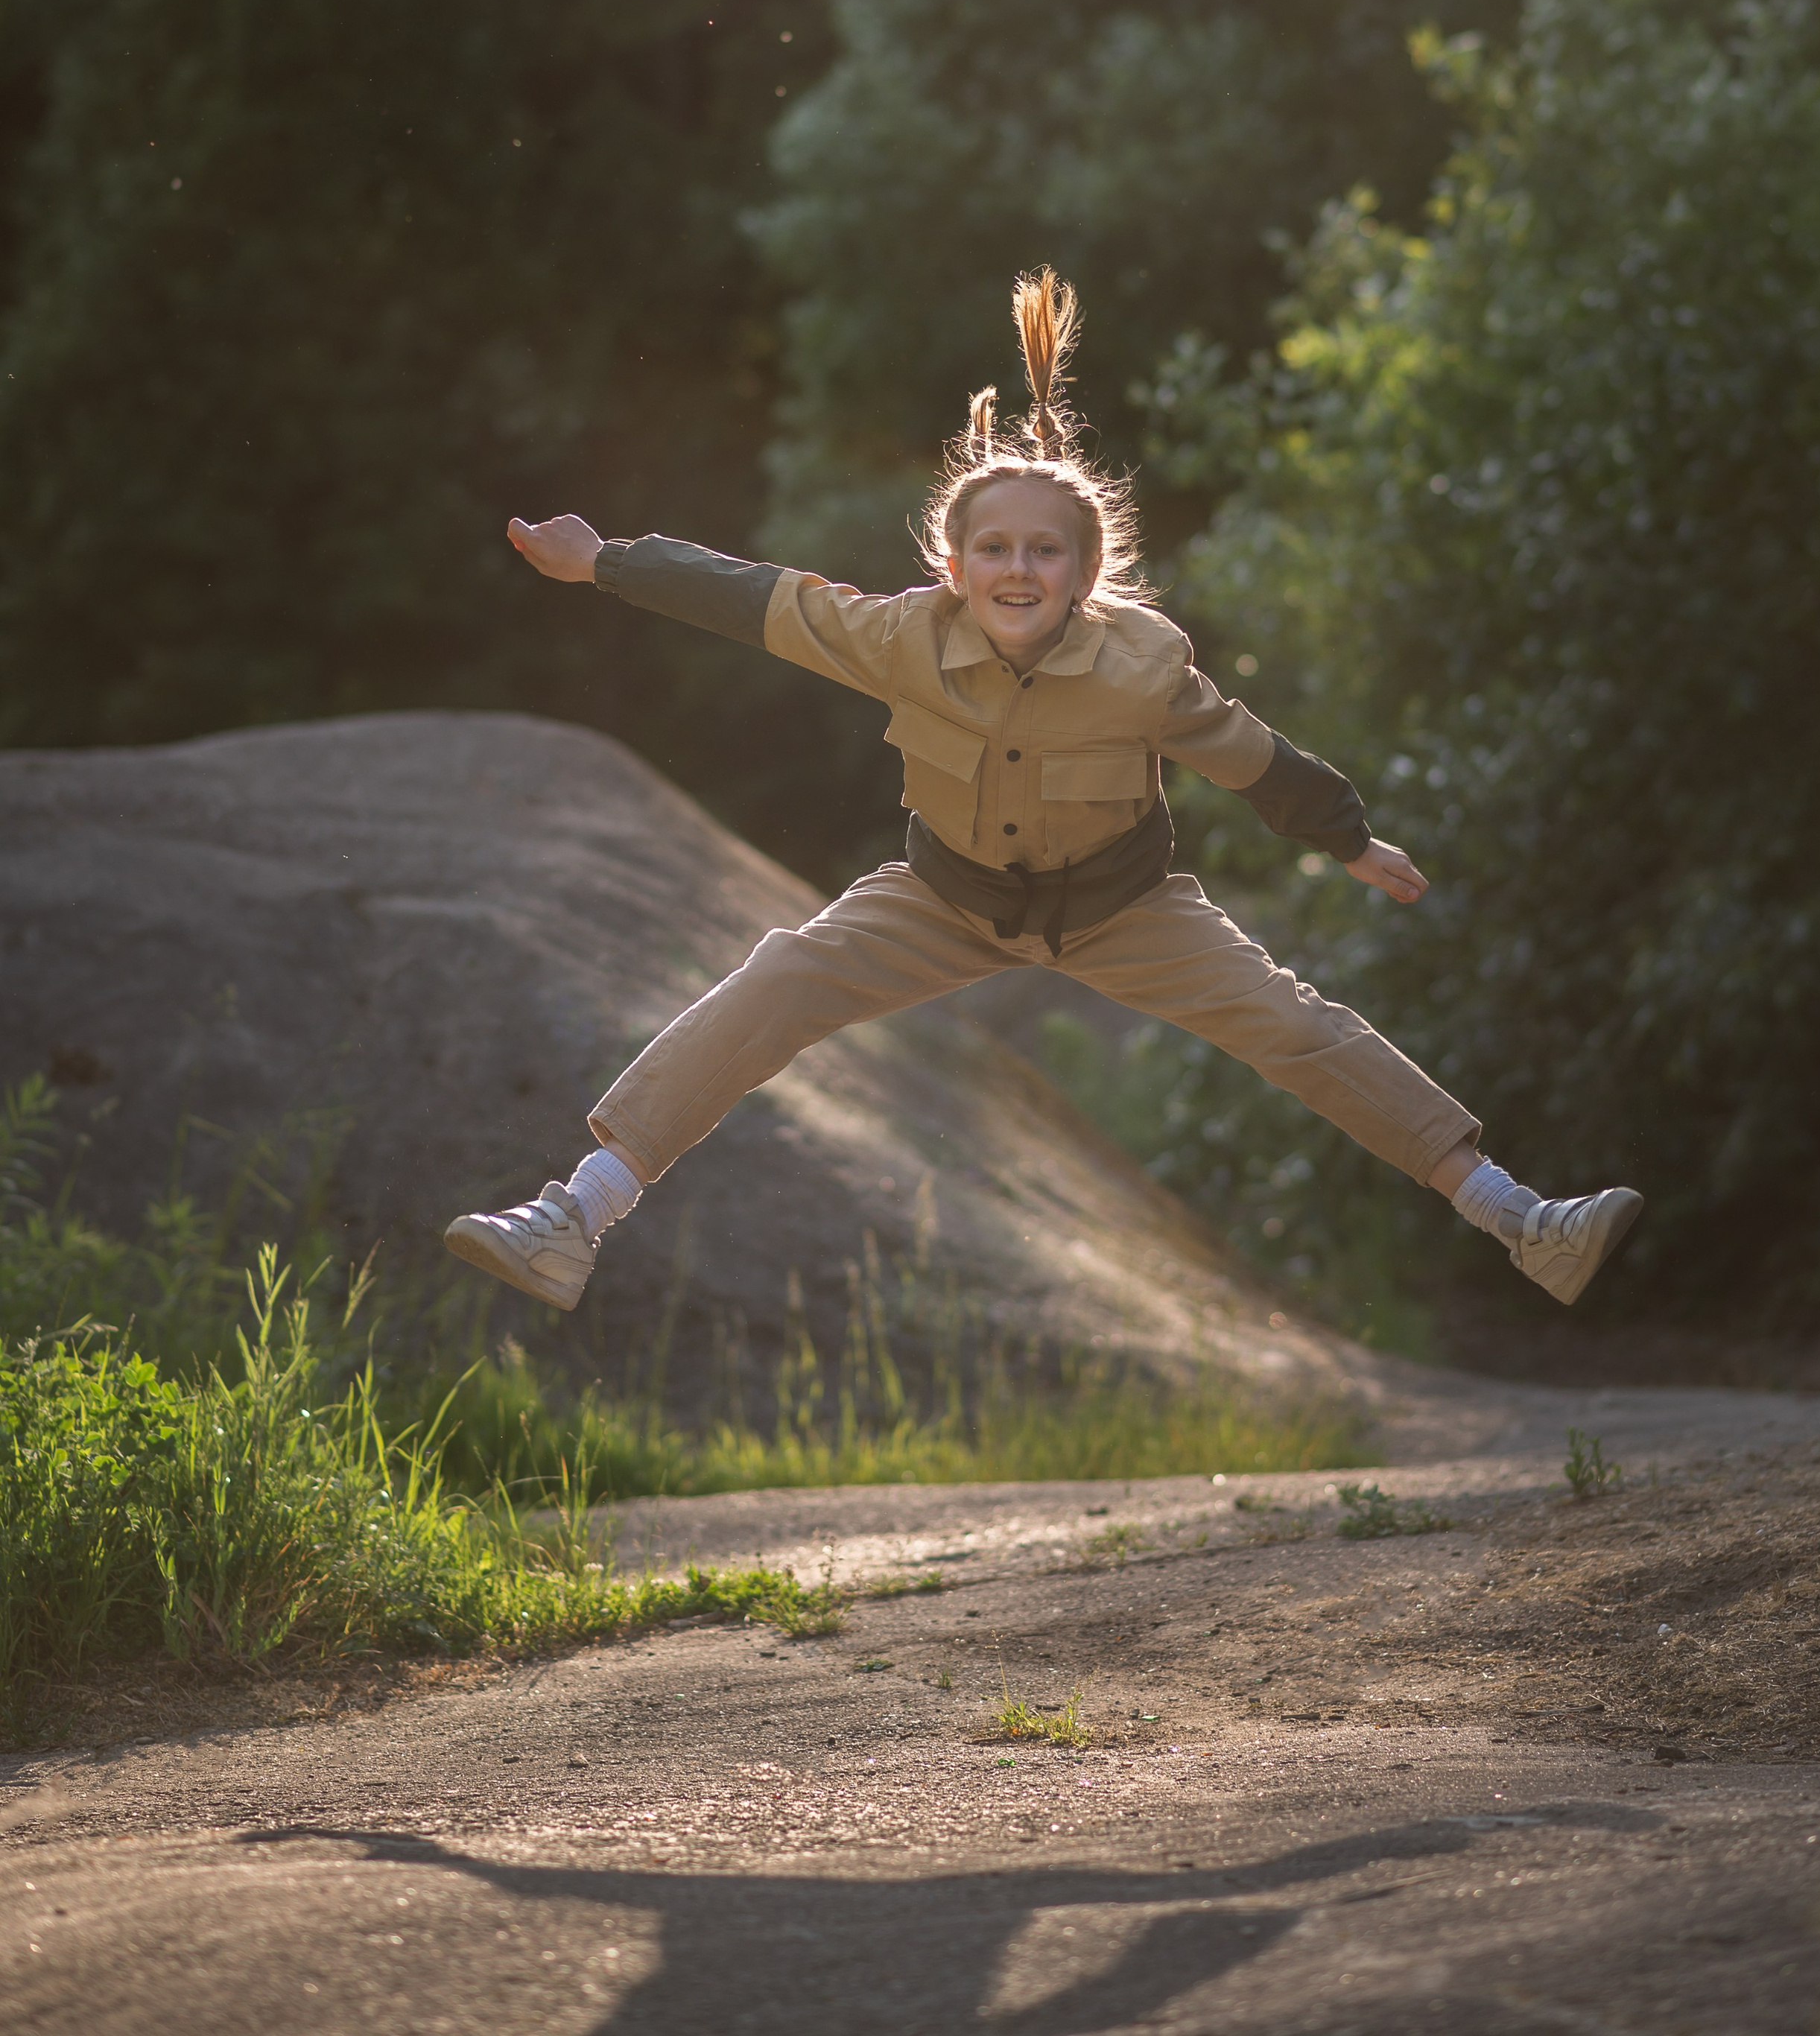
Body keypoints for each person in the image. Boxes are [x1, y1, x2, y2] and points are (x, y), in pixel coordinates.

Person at [446, 270, 1641, 1316]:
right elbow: (754, 597)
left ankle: (1523, 1224)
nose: (1020, 569)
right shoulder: (896, 637)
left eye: (1045, 551)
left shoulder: (1143, 663)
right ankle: (572, 1221)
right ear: (953, 566)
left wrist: (1350, 841)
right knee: (778, 978)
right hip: (942, 896)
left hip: (1126, 907)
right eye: (996, 551)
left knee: (1296, 1028)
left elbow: (1245, 752)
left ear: (1087, 569)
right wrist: (603, 560)